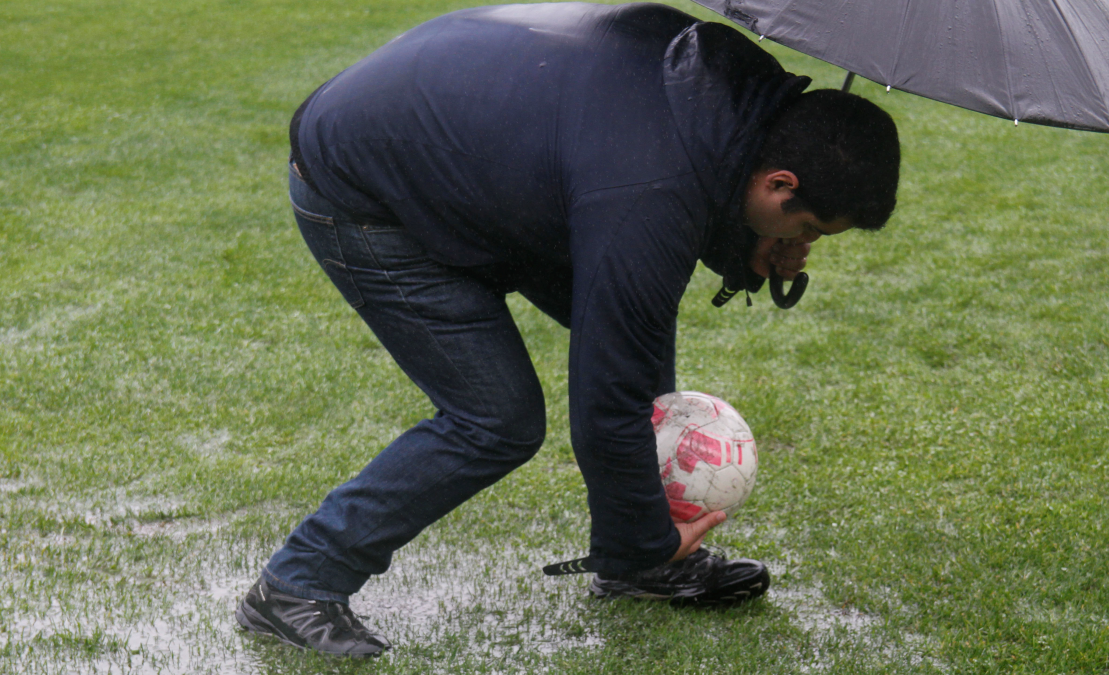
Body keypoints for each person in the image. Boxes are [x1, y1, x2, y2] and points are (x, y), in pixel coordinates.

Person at [234, 1, 900, 657]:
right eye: (809, 228)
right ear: (781, 181)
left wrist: (747, 248)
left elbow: (702, 184)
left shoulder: (736, 96)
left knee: (637, 349)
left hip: (489, 173)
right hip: (364, 191)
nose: (804, 241)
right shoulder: (650, 187)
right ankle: (297, 583)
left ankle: (634, 561)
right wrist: (651, 539)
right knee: (497, 418)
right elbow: (607, 402)